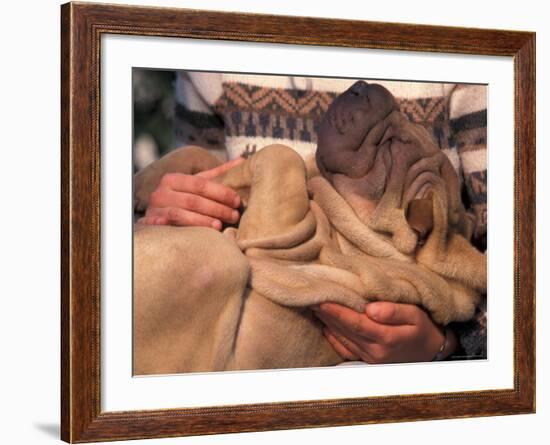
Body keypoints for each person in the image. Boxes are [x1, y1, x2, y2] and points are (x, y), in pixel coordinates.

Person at [135, 71, 487, 364]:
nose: (362, 91)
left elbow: (528, 283)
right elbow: (209, 182)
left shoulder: (476, 56)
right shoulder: (208, 58)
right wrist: (156, 204)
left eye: (390, 140)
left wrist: (447, 345)